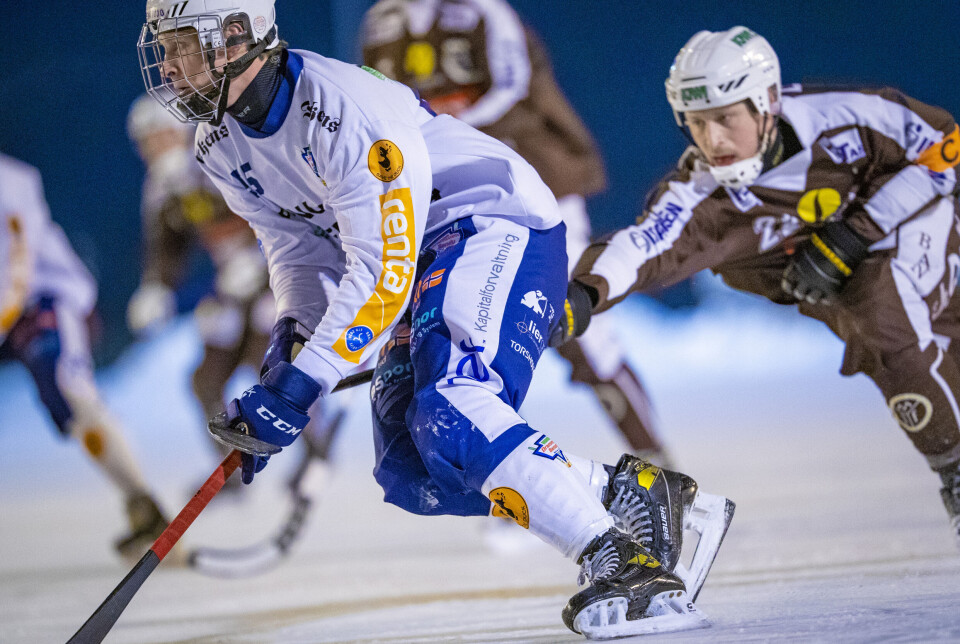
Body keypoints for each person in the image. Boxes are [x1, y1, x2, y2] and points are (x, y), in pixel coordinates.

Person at [136, 0, 733, 636]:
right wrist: (288, 358)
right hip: (421, 255)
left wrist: (302, 385)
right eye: (164, 48)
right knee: (408, 470)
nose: (169, 67)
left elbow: (383, 271)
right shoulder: (219, 144)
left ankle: (623, 564)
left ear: (236, 36)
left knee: (452, 406)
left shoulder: (341, 111)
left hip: (488, 222)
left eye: (181, 44)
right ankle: (632, 492)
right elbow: (300, 256)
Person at [563, 26, 960, 548]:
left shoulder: (847, 116)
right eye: (697, 124)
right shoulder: (700, 192)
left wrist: (854, 232)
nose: (714, 141)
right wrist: (580, 295)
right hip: (856, 274)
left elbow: (945, 149)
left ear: (767, 103)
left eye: (726, 118)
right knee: (884, 325)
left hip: (917, 227)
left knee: (885, 315)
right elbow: (641, 245)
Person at [360, 0, 669, 465]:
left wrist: (435, 128)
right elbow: (370, 105)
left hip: (531, 183)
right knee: (462, 341)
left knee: (583, 332)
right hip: (445, 196)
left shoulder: (483, 11)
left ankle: (659, 463)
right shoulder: (380, 21)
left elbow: (513, 86)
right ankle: (506, 484)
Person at [126, 94, 347, 490]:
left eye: (158, 136)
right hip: (231, 284)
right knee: (206, 378)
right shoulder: (163, 186)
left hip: (277, 275)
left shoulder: (218, 154)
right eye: (145, 141)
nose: (153, 149)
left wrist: (259, 253)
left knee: (267, 361)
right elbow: (168, 244)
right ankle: (228, 467)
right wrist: (156, 287)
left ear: (179, 131)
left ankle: (317, 445)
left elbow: (278, 208)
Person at [0, 152, 169, 561]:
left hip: (43, 300)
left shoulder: (9, 180)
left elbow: (16, 267)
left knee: (72, 395)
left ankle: (142, 503)